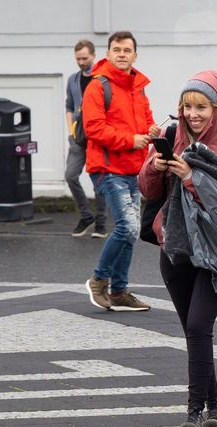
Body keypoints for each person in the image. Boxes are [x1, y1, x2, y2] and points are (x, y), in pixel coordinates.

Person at [139, 71, 217, 427]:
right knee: (195, 333)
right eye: (187, 106)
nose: (193, 114)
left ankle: (194, 412)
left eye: (201, 107)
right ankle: (216, 403)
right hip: (174, 251)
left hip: (216, 254)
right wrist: (153, 167)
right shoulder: (171, 138)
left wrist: (192, 176)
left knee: (197, 327)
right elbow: (146, 190)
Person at [83, 31, 160, 312]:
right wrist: (131, 139)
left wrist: (150, 131)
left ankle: (119, 292)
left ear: (135, 55)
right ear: (108, 52)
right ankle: (99, 280)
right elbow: (93, 128)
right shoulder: (98, 86)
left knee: (131, 230)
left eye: (127, 50)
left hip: (133, 169)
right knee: (127, 226)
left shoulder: (138, 87)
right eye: (117, 49)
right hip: (107, 168)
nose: (122, 54)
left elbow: (146, 120)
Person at [65, 39, 107, 238]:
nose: (81, 62)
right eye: (78, 59)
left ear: (93, 56)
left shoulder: (101, 78)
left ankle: (101, 223)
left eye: (85, 58)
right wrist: (71, 130)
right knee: (70, 175)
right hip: (78, 136)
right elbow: (69, 106)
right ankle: (85, 215)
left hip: (97, 137)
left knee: (98, 179)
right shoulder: (73, 80)